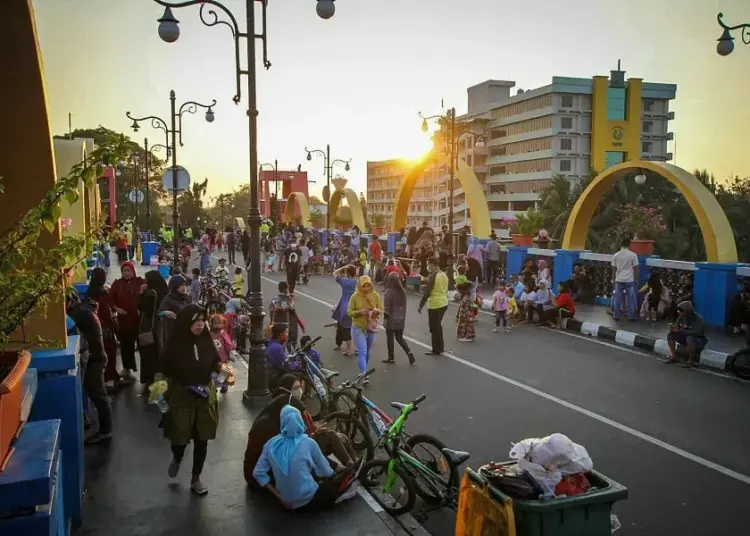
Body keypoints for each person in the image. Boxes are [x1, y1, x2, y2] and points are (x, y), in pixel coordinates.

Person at [160, 304, 223, 495]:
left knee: (202, 437)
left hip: (204, 395)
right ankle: (177, 456)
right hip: (182, 394)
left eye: (203, 321)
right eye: (196, 321)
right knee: (179, 435)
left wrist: (223, 370)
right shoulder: (175, 343)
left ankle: (196, 477)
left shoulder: (206, 340)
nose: (200, 325)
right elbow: (164, 367)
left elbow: (215, 360)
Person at [253, 405, 357, 510]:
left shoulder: (271, 443)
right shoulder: (308, 442)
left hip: (287, 502)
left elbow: (258, 473)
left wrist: (280, 498)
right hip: (310, 501)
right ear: (300, 420)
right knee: (345, 477)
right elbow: (326, 472)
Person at [67, 290, 114, 445]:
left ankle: (105, 431)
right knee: (97, 394)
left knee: (98, 396)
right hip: (97, 356)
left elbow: (65, 327)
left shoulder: (78, 313)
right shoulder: (84, 309)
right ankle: (102, 428)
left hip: (95, 358)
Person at [84, 268, 120, 388]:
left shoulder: (89, 293)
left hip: (94, 329)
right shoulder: (102, 294)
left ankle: (104, 380)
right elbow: (106, 312)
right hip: (105, 330)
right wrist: (114, 321)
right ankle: (110, 380)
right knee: (109, 353)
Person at [109, 261, 145, 382]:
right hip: (124, 320)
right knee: (126, 345)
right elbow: (110, 300)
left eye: (129, 271)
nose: (127, 273)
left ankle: (146, 371)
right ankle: (127, 367)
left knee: (143, 345)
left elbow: (148, 295)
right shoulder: (117, 284)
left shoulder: (140, 282)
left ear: (133, 271)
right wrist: (117, 309)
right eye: (124, 271)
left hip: (139, 320)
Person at [138, 270, 169, 390]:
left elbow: (141, 307)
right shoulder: (163, 291)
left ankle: (150, 380)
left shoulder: (150, 293)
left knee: (148, 353)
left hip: (149, 328)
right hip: (160, 327)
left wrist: (141, 294)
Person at [347, 275, 382, 374]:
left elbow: (381, 309)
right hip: (358, 326)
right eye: (364, 286)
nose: (366, 288)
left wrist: (376, 311)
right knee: (362, 351)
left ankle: (364, 370)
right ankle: (364, 375)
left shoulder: (375, 295)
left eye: (368, 286)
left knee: (367, 351)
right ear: (360, 286)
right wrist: (359, 312)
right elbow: (349, 312)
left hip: (371, 326)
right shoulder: (355, 296)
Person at [418, 257, 449, 355]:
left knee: (434, 328)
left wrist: (420, 305)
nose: (428, 267)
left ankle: (436, 349)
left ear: (433, 264)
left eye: (428, 264)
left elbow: (427, 292)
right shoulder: (444, 275)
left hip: (435, 304)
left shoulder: (433, 276)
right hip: (444, 303)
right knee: (438, 326)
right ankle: (440, 347)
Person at [382, 272, 415, 364]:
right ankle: (409, 352)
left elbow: (387, 308)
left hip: (391, 319)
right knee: (399, 337)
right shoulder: (402, 291)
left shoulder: (389, 292)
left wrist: (385, 320)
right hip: (400, 319)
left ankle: (391, 357)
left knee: (390, 339)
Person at [666, 301, 707, 368]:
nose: (680, 313)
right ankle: (673, 356)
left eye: (682, 311)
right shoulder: (682, 317)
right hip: (686, 336)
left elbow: (697, 333)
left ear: (688, 311)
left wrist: (681, 331)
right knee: (671, 335)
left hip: (698, 339)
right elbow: (677, 326)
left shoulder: (698, 320)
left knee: (690, 338)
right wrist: (673, 328)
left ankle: (691, 360)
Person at [270, 281, 305, 349]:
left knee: (276, 342)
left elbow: (271, 311)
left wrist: (271, 322)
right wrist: (300, 325)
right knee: (284, 344)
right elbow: (293, 311)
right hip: (285, 325)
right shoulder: (288, 299)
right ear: (286, 289)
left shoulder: (274, 299)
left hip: (276, 324)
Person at [331, 264, 357, 356]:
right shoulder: (356, 282)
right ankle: (341, 344)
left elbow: (334, 273)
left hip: (344, 305)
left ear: (347, 273)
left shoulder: (345, 282)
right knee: (342, 325)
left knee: (345, 327)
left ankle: (349, 349)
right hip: (353, 305)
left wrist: (343, 267)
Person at [611, 236, 639, 321]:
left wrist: (613, 279)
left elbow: (614, 269)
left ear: (621, 244)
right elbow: (636, 269)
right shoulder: (633, 255)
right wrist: (636, 279)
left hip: (619, 279)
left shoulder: (616, 255)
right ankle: (631, 316)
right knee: (630, 298)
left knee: (617, 298)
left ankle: (616, 315)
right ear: (629, 244)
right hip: (629, 280)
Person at [455, 275, 476, 342]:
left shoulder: (464, 296)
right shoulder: (467, 296)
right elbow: (472, 284)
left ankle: (465, 336)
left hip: (464, 313)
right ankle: (466, 336)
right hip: (466, 313)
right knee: (467, 324)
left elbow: (466, 308)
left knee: (464, 324)